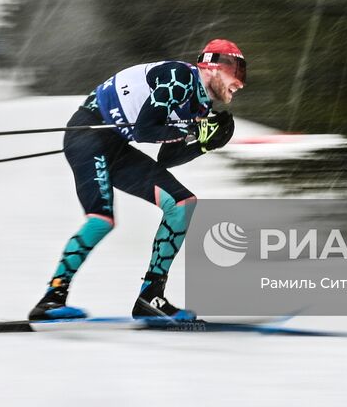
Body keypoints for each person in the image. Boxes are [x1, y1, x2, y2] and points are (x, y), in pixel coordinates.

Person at [28, 39, 245, 323]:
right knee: (100, 219)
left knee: (182, 204)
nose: (240, 82)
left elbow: (167, 157)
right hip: (88, 134)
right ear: (213, 68)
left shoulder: (200, 106)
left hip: (116, 144)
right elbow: (145, 130)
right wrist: (193, 129)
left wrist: (203, 144)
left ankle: (150, 297)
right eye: (236, 71)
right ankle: (51, 299)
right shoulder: (179, 77)